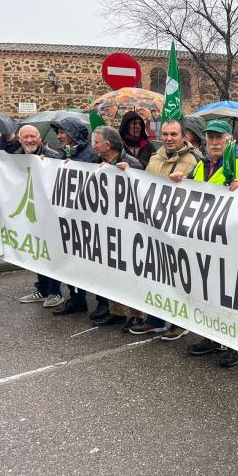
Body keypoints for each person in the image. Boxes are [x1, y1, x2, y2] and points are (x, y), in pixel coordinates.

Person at [185, 119, 238, 367]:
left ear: (230, 140)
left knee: (231, 297)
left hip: (234, 245)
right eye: (210, 138)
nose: (214, 142)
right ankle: (211, 337)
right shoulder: (201, 165)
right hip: (206, 243)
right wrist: (178, 180)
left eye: (219, 138)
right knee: (208, 292)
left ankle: (235, 345)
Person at [129, 119, 198, 339]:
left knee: (179, 276)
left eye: (173, 135)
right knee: (156, 274)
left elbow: (199, 188)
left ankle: (180, 322)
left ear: (183, 136)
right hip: (155, 226)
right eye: (165, 134)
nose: (169, 138)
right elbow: (144, 184)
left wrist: (185, 180)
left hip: (179, 228)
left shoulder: (193, 160)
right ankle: (156, 320)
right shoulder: (154, 158)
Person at [0, 125, 63, 307]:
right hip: (30, 213)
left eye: (33, 136)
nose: (29, 140)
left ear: (39, 138)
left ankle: (55, 292)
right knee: (37, 252)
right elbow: (1, 157)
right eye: (25, 137)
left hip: (48, 214)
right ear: (20, 140)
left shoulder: (52, 156)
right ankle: (42, 289)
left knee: (51, 252)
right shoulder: (15, 155)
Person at [48, 117, 107, 320]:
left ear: (73, 134)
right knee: (71, 260)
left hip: (90, 219)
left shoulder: (90, 155)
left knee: (96, 262)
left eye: (62, 132)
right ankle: (76, 297)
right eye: (59, 132)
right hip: (71, 219)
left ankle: (103, 301)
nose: (59, 136)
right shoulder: (66, 153)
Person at [90, 126, 144, 332]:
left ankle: (137, 315)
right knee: (111, 271)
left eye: (96, 142)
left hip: (128, 228)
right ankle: (117, 312)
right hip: (108, 226)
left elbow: (141, 191)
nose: (93, 146)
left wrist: (128, 173)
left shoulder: (131, 163)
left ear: (108, 145)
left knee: (131, 272)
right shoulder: (100, 163)